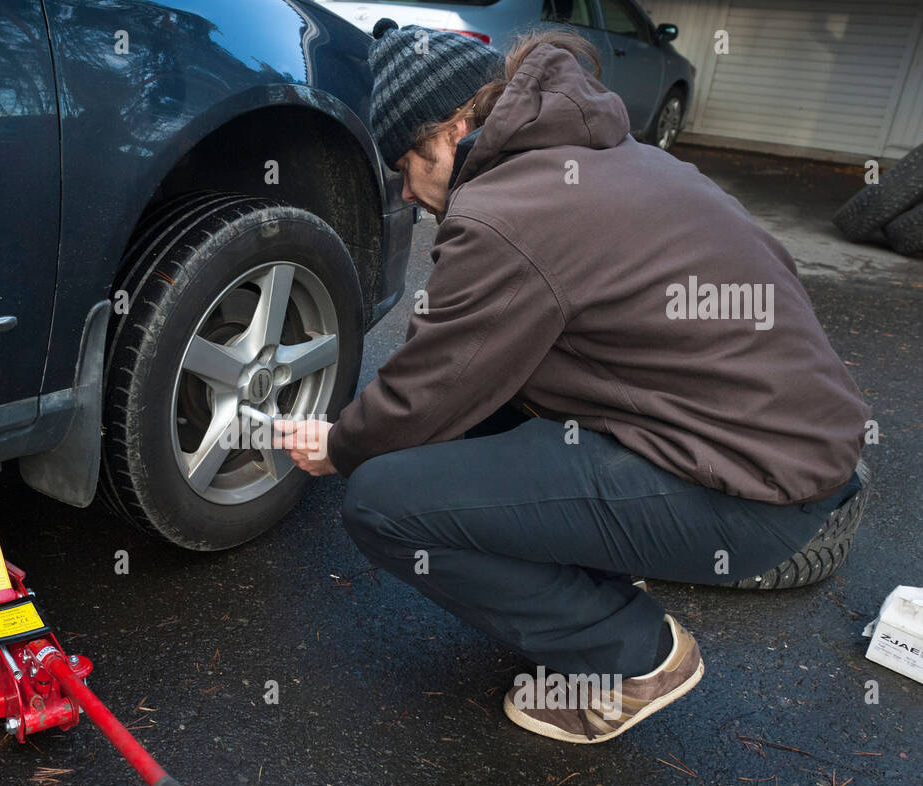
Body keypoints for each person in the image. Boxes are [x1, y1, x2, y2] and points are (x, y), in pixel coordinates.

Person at [276, 22, 869, 743]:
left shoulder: (507, 212)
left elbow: (428, 389)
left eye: (407, 161)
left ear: (457, 127)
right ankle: (601, 587)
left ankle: (632, 660)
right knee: (478, 428)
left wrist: (339, 445)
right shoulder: (611, 157)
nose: (406, 190)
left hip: (752, 491)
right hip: (773, 446)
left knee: (382, 501)